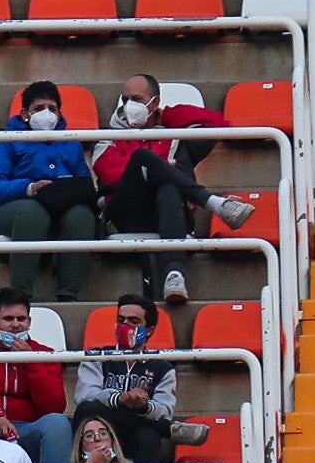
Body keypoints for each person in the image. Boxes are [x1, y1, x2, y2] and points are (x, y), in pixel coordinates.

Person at [91, 73, 255, 303]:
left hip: (169, 211)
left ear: (154, 102)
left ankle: (174, 275)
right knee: (143, 158)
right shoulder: (109, 136)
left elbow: (218, 125)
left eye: (137, 99)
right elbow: (109, 173)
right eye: (125, 99)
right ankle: (214, 202)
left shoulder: (175, 134)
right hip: (125, 213)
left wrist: (166, 116)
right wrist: (156, 166)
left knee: (168, 186)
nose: (129, 106)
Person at [0, 80, 97, 303]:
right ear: (25, 113)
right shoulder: (7, 141)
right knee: (33, 211)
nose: (47, 114)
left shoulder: (70, 142)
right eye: (39, 108)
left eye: (52, 109)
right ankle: (20, 297)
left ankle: (68, 294)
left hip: (58, 209)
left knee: (81, 214)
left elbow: (82, 182)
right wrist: (29, 188)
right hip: (8, 213)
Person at [74, 294, 207, 463]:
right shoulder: (97, 356)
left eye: (134, 322)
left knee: (149, 437)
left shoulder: (163, 367)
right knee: (87, 409)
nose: (125, 326)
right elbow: (85, 396)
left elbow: (164, 410)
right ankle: (167, 430)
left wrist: (144, 406)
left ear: (149, 330)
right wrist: (119, 398)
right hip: (99, 430)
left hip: (135, 438)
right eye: (121, 320)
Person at [0, 287, 73, 463]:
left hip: (28, 429)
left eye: (21, 319)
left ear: (29, 321)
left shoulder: (45, 354)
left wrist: (31, 361)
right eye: (8, 319)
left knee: (58, 423)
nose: (15, 325)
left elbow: (55, 406)